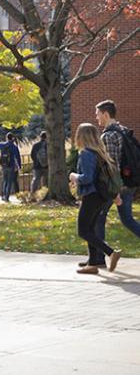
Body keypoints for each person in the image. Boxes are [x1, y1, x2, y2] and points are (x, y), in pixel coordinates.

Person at [81, 100, 140, 268]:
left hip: (115, 186)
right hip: (128, 183)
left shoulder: (108, 136)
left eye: (98, 114)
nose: (96, 118)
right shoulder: (123, 131)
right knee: (128, 220)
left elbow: (112, 166)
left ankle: (98, 258)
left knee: (96, 218)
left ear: (105, 114)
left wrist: (115, 193)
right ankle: (97, 257)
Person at [69, 123, 121, 274]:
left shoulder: (86, 153)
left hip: (91, 195)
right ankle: (93, 263)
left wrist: (74, 176)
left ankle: (111, 252)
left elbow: (87, 178)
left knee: (83, 230)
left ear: (81, 136)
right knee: (90, 228)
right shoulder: (100, 153)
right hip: (101, 196)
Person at [0, 133, 21, 202]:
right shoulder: (14, 147)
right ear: (12, 138)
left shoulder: (3, 145)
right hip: (11, 166)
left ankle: (3, 196)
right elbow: (18, 158)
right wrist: (19, 166)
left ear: (6, 138)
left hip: (3, 166)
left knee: (4, 181)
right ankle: (7, 197)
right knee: (9, 182)